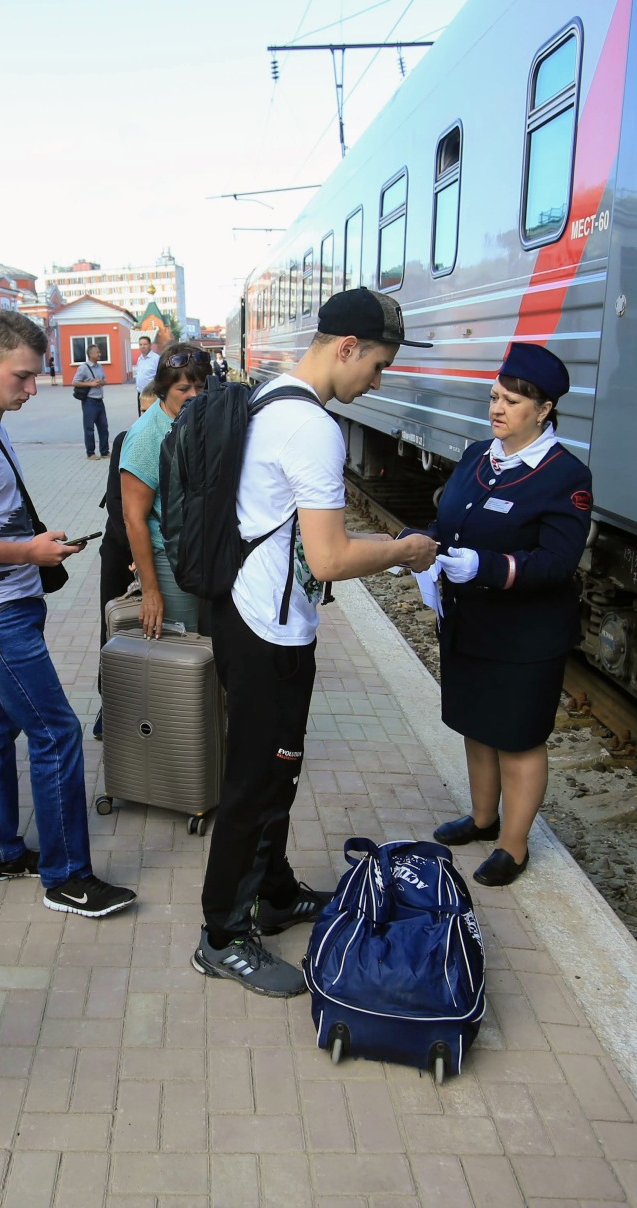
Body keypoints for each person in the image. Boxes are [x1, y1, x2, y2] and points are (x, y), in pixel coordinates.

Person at [193, 289, 439, 997]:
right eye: (379, 365)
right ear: (346, 348)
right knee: (256, 781)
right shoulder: (311, 427)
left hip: (250, 613)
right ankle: (222, 936)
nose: (379, 381)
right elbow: (328, 558)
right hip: (266, 629)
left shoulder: (271, 398)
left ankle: (272, 894)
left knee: (277, 771)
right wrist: (404, 551)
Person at [0, 311, 136, 919]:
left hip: (3, 603)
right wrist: (26, 553)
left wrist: (34, 544)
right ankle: (67, 878)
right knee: (56, 732)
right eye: (23, 376)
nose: (34, 388)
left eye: (37, 375)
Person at [424, 343, 592, 887]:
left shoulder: (566, 475)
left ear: (544, 410)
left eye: (512, 401)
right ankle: (482, 818)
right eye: (495, 396)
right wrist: (421, 547)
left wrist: (489, 566)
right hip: (470, 621)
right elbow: (451, 521)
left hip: (525, 635)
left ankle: (513, 846)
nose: (497, 408)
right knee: (477, 725)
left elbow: (558, 561)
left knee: (517, 738)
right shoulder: (479, 454)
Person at [119, 343, 209, 637]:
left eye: (200, 387)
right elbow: (133, 518)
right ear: (163, 389)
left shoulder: (201, 418)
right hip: (169, 561)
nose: (194, 395)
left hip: (204, 553)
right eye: (183, 389)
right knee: (185, 644)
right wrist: (151, 591)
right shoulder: (146, 436)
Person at [71, 353, 110, 460]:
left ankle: (104, 451)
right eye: (97, 352)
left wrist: (101, 382)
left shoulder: (100, 366)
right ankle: (90, 453)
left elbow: (105, 380)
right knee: (89, 428)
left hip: (100, 400)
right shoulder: (83, 368)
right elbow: (75, 382)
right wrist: (90, 384)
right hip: (89, 401)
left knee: (103, 427)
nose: (99, 354)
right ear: (90, 354)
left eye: (99, 352)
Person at [131, 336, 159, 412]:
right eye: (140, 344)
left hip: (151, 394)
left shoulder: (156, 359)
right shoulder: (140, 359)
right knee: (142, 415)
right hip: (140, 393)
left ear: (150, 345)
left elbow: (160, 376)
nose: (142, 346)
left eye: (145, 344)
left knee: (152, 415)